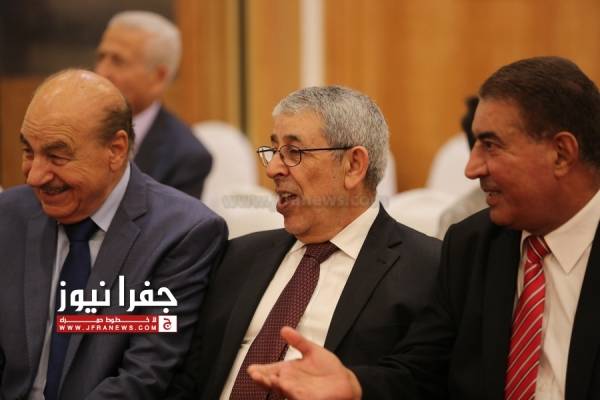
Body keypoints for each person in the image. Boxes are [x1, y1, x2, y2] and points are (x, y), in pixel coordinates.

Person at [248, 56, 600, 400]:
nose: (472, 168)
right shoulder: (474, 244)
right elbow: (423, 374)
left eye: (491, 146)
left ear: (561, 153)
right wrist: (355, 385)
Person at [166, 86, 441, 399]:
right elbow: (191, 376)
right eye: (273, 151)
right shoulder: (238, 256)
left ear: (353, 166)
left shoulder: (427, 269)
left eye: (294, 153)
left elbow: (422, 383)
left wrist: (354, 386)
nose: (273, 169)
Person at [0, 69, 227, 399]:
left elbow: (143, 378)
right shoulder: (10, 215)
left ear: (116, 150)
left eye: (57, 156)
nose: (34, 176)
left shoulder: (181, 234)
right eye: (28, 152)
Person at [95, 10, 212, 198]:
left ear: (158, 77)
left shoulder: (186, 156)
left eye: (118, 61)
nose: (101, 72)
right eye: (101, 57)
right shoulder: (75, 125)